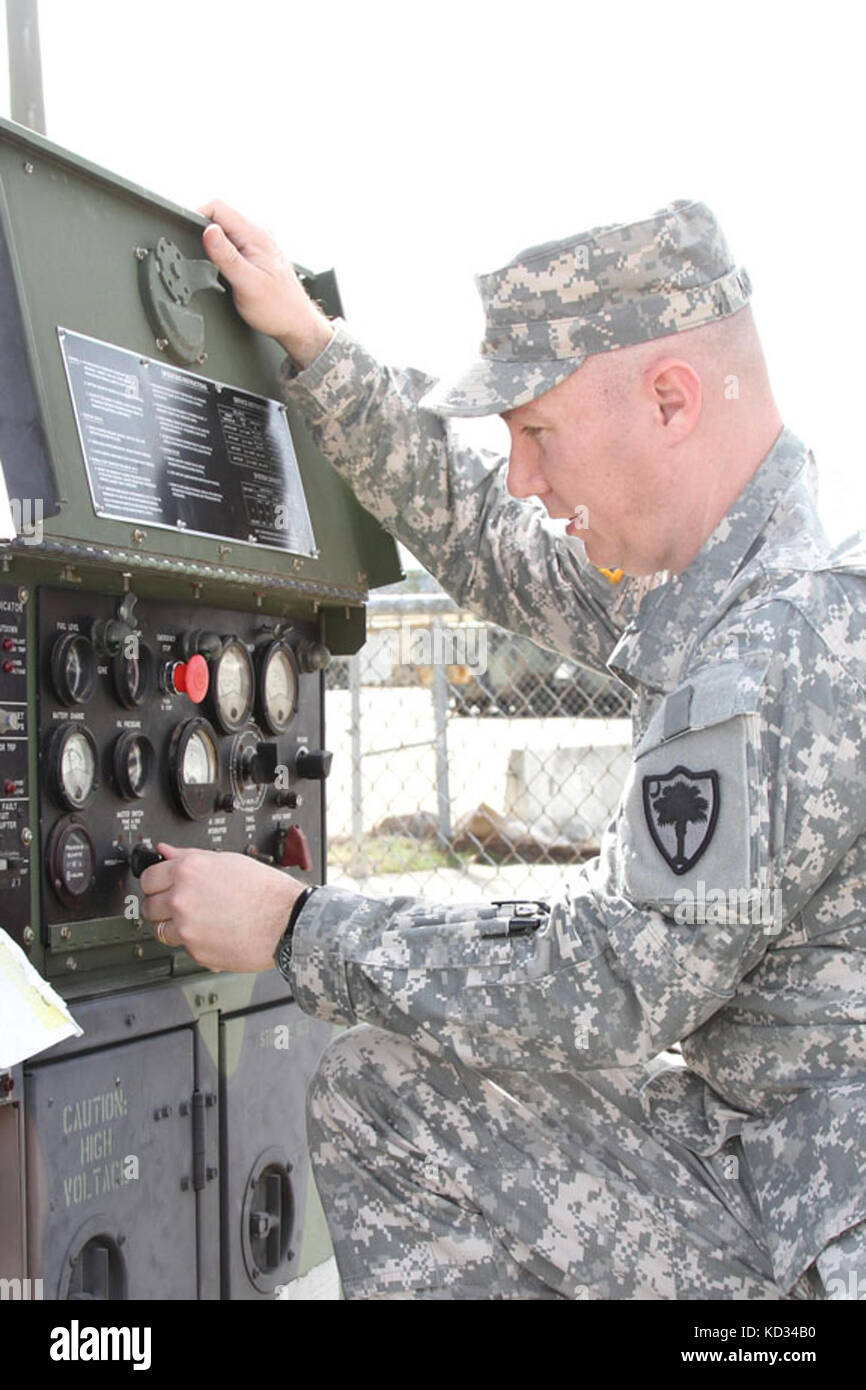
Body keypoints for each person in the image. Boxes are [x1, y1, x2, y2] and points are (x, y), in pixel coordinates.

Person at [140, 198, 866, 1301]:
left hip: (798, 1230)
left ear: (668, 399)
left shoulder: (773, 653)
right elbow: (487, 536)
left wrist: (294, 925)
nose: (524, 475)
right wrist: (316, 349)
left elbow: (608, 979)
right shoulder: (723, 591)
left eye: (536, 432)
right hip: (772, 1166)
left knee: (386, 1097)